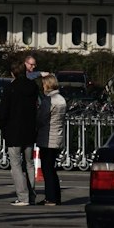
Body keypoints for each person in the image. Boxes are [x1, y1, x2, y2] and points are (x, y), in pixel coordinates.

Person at [0, 60, 40, 206]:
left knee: (16, 165)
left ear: (12, 73)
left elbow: (3, 111)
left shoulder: (10, 88)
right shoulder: (33, 87)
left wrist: (2, 127)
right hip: (29, 130)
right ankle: (32, 195)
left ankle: (23, 197)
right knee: (29, 164)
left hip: (13, 131)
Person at [37, 73, 67, 206]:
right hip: (58, 136)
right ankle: (56, 196)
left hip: (47, 137)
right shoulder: (61, 99)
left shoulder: (48, 100)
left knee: (46, 168)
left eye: (43, 84)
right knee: (52, 168)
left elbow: (41, 119)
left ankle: (50, 197)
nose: (42, 86)